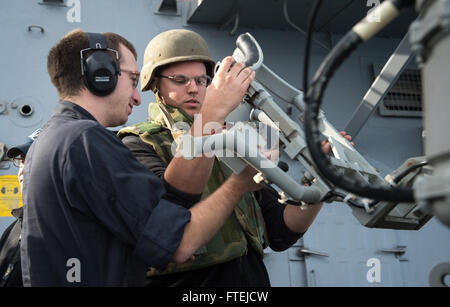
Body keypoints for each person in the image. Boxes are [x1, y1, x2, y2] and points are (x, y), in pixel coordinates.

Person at [21, 29, 257, 286]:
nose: (136, 97)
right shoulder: (85, 141)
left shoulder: (52, 139)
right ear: (101, 74)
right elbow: (180, 243)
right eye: (132, 80)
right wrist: (240, 183)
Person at [119, 29, 354, 286]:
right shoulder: (138, 144)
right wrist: (214, 119)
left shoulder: (232, 140)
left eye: (201, 80)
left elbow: (279, 231)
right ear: (156, 85)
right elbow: (166, 229)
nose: (193, 89)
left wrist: (320, 180)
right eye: (179, 79)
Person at [0, 129, 40, 287]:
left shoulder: (68, 229)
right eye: (21, 161)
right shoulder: (15, 227)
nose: (21, 171)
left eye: (30, 161)